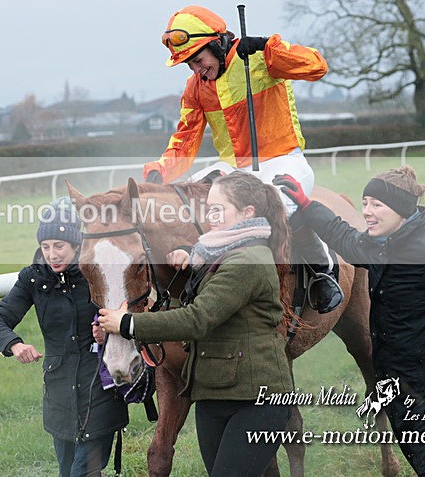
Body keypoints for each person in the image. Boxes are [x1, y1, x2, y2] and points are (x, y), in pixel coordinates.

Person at [274, 167, 425, 476]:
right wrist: (306, 204)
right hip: (406, 388)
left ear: (401, 209)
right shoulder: (381, 243)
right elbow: (343, 236)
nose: (366, 212)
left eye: (376, 205)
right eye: (365, 202)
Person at [143, 4, 342, 314]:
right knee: (187, 197)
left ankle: (322, 271)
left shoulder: (261, 59)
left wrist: (267, 47)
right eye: (189, 65)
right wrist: (160, 171)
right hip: (236, 170)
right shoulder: (196, 87)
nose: (197, 70)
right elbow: (184, 139)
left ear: (217, 44)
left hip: (283, 161)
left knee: (273, 209)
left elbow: (317, 67)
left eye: (198, 60)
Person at [98, 171, 294, 477]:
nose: (209, 217)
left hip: (256, 400)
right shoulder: (214, 253)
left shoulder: (249, 261)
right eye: (208, 208)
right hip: (215, 396)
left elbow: (198, 319)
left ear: (247, 214)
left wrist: (129, 324)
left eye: (218, 210)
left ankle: (322, 277)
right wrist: (192, 255)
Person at [0, 197, 128, 477]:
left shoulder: (101, 271)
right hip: (59, 394)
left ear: (77, 245)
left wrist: (107, 332)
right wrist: (13, 344)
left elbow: (130, 317)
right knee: (68, 471)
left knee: (81, 473)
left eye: (59, 246)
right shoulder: (32, 279)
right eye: (46, 247)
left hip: (100, 388)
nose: (52, 255)